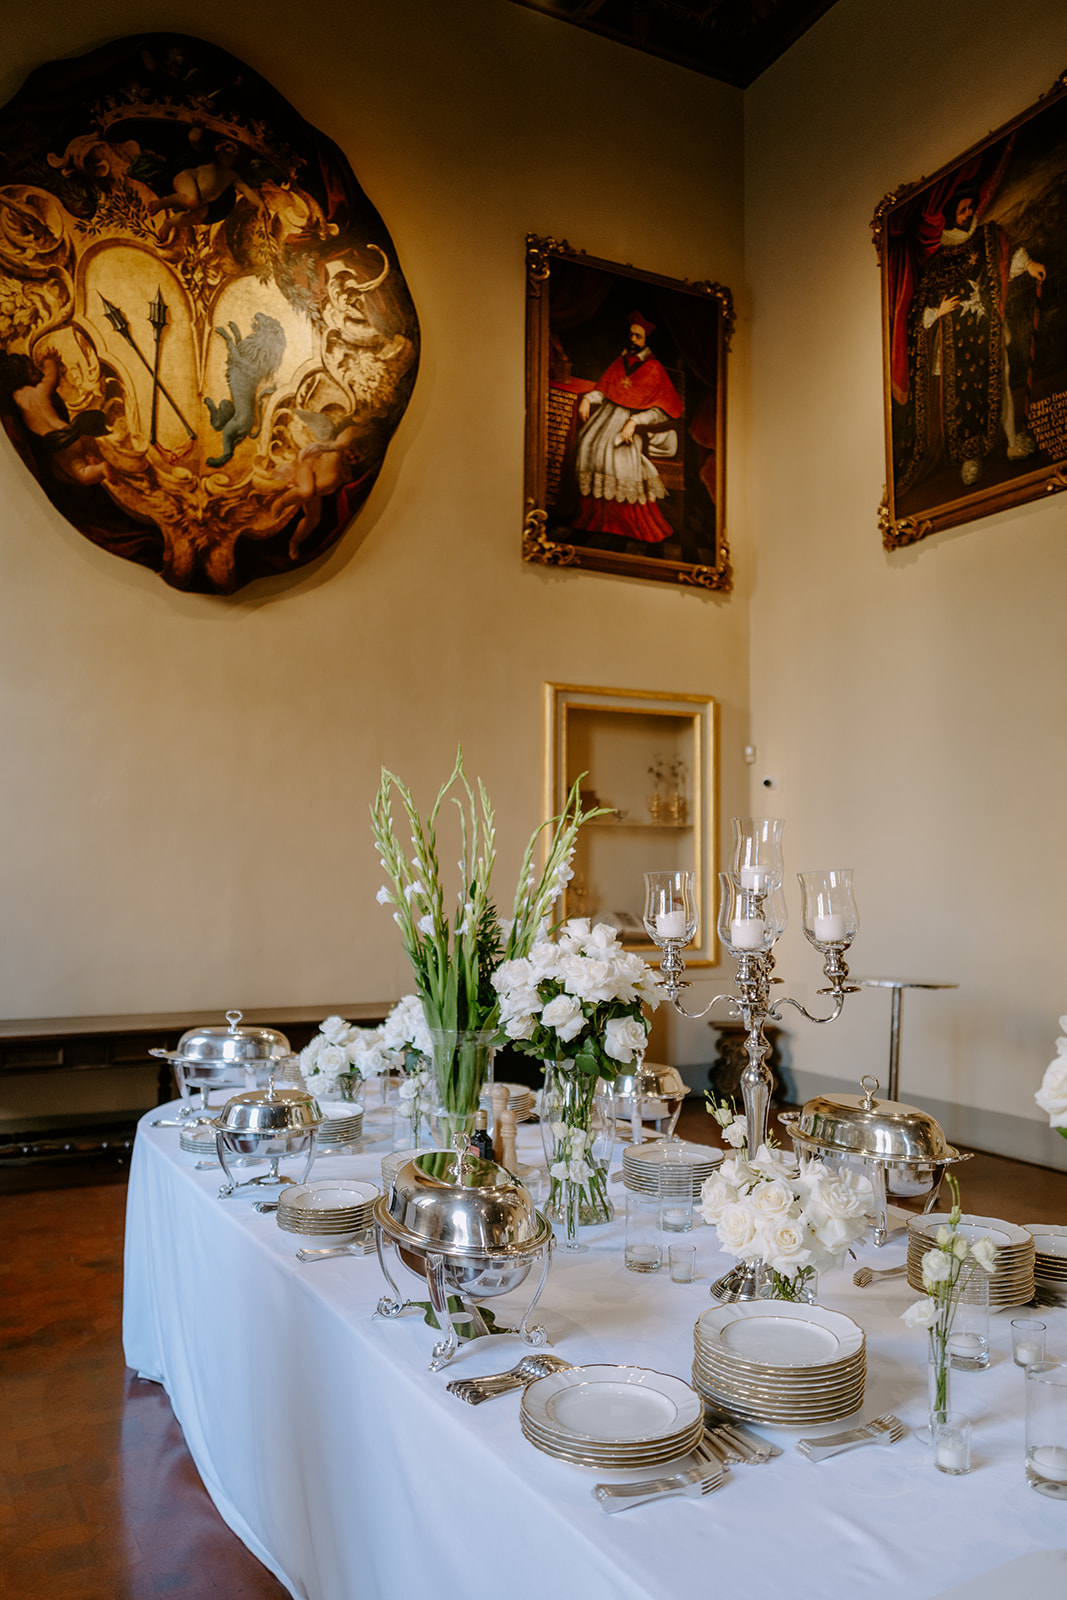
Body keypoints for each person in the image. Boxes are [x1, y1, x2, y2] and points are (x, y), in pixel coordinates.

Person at [902, 186, 1045, 493]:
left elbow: (1001, 267)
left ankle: (1012, 442)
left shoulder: (986, 239)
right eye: (963, 210)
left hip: (989, 330)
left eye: (971, 208)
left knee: (1001, 384)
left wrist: (1029, 265)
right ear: (951, 215)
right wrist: (937, 312)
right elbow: (917, 309)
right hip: (956, 345)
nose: (969, 214)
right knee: (964, 401)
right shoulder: (938, 263)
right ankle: (972, 456)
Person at [573, 311, 683, 543]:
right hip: (605, 417)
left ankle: (623, 522)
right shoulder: (619, 362)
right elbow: (604, 391)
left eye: (638, 336)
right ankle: (595, 517)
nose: (632, 340)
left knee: (616, 454)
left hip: (636, 425)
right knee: (588, 442)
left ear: (647, 341)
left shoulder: (654, 369)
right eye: (631, 335)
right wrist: (588, 399)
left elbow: (663, 410)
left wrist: (634, 422)